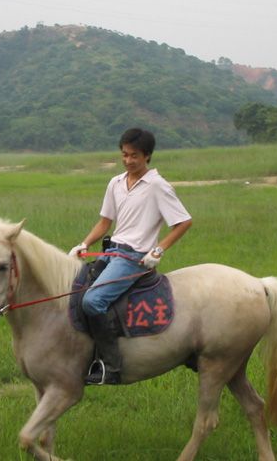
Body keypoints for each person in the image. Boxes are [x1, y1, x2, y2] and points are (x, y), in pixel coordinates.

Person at [69, 127, 192, 385]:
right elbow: (105, 222)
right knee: (75, 292)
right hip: (112, 251)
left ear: (147, 156)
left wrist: (158, 250)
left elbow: (183, 222)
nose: (127, 161)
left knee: (92, 301)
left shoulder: (157, 186)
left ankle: (111, 366)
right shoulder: (115, 183)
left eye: (133, 156)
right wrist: (83, 243)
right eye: (124, 155)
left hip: (134, 258)